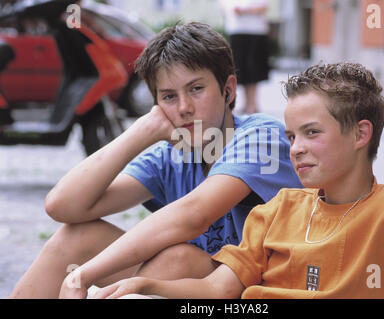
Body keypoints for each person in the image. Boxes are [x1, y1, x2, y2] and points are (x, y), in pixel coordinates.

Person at [93, 62, 384, 299]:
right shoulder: (279, 209)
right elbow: (218, 290)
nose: (295, 148)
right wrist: (145, 286)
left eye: (312, 133)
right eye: (292, 136)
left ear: (361, 135)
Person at [9, 22, 301, 299]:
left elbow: (194, 216)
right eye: (169, 96)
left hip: (259, 288)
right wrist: (141, 131)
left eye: (196, 89)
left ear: (228, 89)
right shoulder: (171, 154)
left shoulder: (261, 136)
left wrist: (83, 276)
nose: (184, 107)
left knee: (178, 256)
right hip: (193, 285)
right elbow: (63, 206)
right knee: (76, 237)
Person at [220, 0, 270, 114]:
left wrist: (245, 11)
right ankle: (245, 103)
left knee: (253, 68)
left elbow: (264, 7)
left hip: (255, 32)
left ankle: (253, 103)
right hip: (236, 31)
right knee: (240, 69)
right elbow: (223, 7)